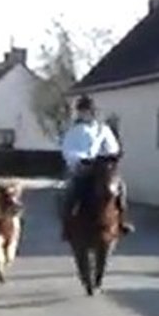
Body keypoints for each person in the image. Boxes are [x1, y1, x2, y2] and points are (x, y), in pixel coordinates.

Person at [59, 94, 134, 240]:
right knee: (71, 191)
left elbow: (112, 147)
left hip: (101, 166)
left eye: (87, 111)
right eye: (82, 111)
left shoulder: (103, 129)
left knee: (120, 187)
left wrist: (110, 155)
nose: (84, 113)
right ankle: (67, 225)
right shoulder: (72, 131)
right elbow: (67, 149)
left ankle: (122, 220)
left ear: (92, 112)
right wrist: (79, 159)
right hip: (82, 167)